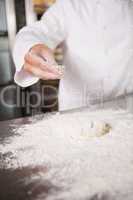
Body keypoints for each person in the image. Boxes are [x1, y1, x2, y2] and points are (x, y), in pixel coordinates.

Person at [13, 0, 133, 111]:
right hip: (79, 108)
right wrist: (31, 47)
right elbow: (36, 32)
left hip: (127, 105)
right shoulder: (69, 5)